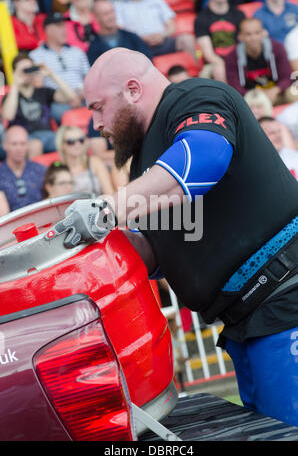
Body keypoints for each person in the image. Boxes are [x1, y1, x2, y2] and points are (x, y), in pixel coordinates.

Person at [47, 48, 298, 427]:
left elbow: (206, 155)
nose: (95, 124)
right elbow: (159, 250)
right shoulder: (144, 168)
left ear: (132, 90)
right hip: (248, 324)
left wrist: (108, 208)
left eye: (98, 107)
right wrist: (84, 253)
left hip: (284, 301)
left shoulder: (195, 97)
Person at [1, 53, 77, 154]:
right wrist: (15, 83)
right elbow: (8, 116)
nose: (27, 73)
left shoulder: (44, 92)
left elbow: (71, 97)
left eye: (29, 69)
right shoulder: (11, 96)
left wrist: (51, 74)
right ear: (15, 72)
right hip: (23, 139)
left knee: (72, 141)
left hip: (49, 136)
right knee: (35, 145)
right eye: (23, 70)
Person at [29, 12, 90, 121]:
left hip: (83, 98)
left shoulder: (77, 51)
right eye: (58, 26)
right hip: (56, 101)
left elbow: (89, 79)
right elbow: (38, 87)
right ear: (47, 30)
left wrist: (81, 95)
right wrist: (65, 97)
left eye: (64, 25)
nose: (64, 29)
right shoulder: (36, 55)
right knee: (62, 113)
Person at [224, 17, 294, 105]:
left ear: (263, 33)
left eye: (257, 33)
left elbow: (287, 77)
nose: (253, 38)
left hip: (276, 94)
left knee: (293, 94)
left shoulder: (277, 48)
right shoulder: (232, 57)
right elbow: (235, 88)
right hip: (250, 99)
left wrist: (275, 90)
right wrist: (257, 95)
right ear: (240, 37)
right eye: (248, 34)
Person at [113, 0, 197, 59]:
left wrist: (162, 35)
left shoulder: (156, 0)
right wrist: (142, 38)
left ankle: (198, 75)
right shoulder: (118, 6)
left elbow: (172, 26)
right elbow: (121, 31)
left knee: (187, 40)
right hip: (139, 46)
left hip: (163, 40)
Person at [194, 0, 245, 82]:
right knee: (219, 68)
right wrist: (226, 64)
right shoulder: (201, 19)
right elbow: (209, 54)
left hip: (239, 59)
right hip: (216, 63)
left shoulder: (239, 14)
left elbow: (245, 44)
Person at [87, 0, 152, 65]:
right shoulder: (94, 48)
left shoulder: (132, 37)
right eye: (105, 14)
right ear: (96, 17)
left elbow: (148, 62)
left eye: (112, 11)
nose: (111, 16)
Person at [55, 124, 115, 195]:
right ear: (62, 145)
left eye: (81, 140)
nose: (77, 144)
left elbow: (109, 193)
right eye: (71, 141)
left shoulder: (94, 162)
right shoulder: (58, 169)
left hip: (97, 204)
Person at [0, 125, 46, 213]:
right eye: (14, 144)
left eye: (22, 144)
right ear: (5, 145)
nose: (19, 149)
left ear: (28, 145)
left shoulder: (40, 170)